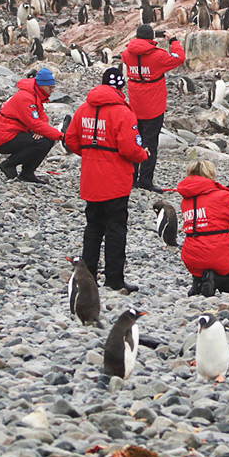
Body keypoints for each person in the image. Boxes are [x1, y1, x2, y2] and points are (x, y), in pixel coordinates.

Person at [64, 68, 148, 293]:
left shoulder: (83, 109)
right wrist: (143, 154)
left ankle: (88, 275)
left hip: (91, 179)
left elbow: (70, 139)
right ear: (121, 88)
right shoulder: (123, 113)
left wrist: (91, 153)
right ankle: (114, 279)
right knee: (115, 230)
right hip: (115, 181)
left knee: (92, 227)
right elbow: (129, 148)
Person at [177, 160, 229, 296]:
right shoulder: (221, 197)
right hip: (218, 255)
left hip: (191, 257)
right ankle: (215, 280)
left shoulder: (186, 200)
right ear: (211, 174)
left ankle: (199, 280)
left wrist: (228, 189)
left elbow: (208, 199)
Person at [120, 24, 185, 191]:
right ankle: (146, 181)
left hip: (134, 105)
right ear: (151, 38)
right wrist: (173, 40)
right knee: (150, 143)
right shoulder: (158, 56)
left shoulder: (126, 54)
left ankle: (131, 178)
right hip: (153, 106)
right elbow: (178, 57)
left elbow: (134, 54)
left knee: (135, 140)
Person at [0, 67, 63, 183]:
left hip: (12, 132)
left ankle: (26, 173)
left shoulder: (34, 94)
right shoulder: (26, 97)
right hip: (4, 137)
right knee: (42, 142)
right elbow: (34, 123)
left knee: (46, 139)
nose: (52, 90)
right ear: (41, 85)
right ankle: (10, 165)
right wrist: (62, 136)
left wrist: (40, 130)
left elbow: (41, 117)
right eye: (50, 87)